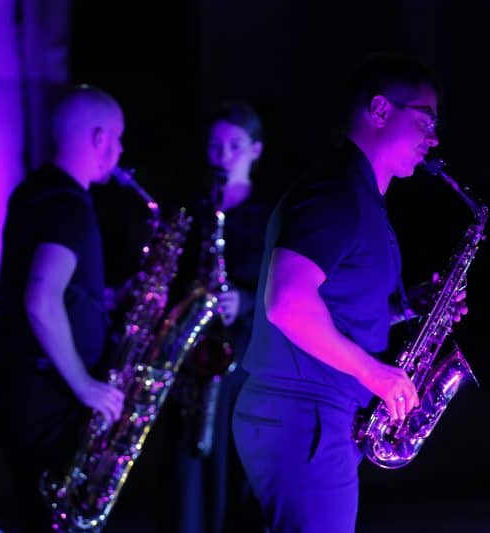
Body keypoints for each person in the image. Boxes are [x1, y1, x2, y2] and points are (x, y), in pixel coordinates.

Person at [231, 53, 451, 532]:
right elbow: (287, 303)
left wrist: (405, 308)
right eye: (426, 120)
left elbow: (331, 305)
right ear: (380, 110)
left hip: (314, 413)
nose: (434, 138)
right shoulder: (336, 195)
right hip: (304, 411)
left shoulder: (359, 198)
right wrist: (375, 373)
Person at [0, 85, 126, 532]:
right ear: (100, 137)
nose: (120, 151)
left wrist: (98, 300)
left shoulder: (35, 190)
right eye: (118, 138)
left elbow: (46, 286)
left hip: (21, 386)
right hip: (45, 394)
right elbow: (41, 298)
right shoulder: (69, 207)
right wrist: (84, 385)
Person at [165, 100, 270, 533]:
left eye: (234, 146)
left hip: (240, 354)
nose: (223, 156)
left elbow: (283, 286)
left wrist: (244, 301)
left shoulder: (268, 214)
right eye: (215, 146)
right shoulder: (195, 210)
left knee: (232, 459)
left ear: (255, 150)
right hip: (191, 353)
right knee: (187, 464)